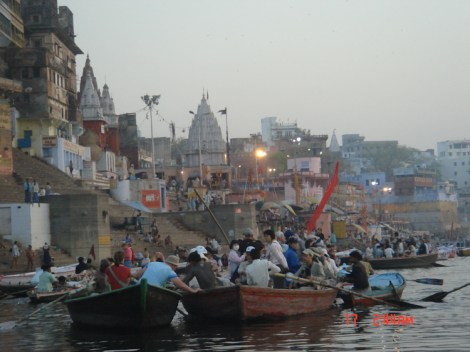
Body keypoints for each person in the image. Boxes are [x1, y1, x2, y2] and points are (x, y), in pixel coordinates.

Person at [137, 255, 201, 293]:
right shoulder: (170, 271)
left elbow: (139, 274)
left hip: (139, 286)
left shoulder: (152, 263)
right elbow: (181, 285)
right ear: (174, 265)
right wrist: (192, 290)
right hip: (153, 291)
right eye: (176, 267)